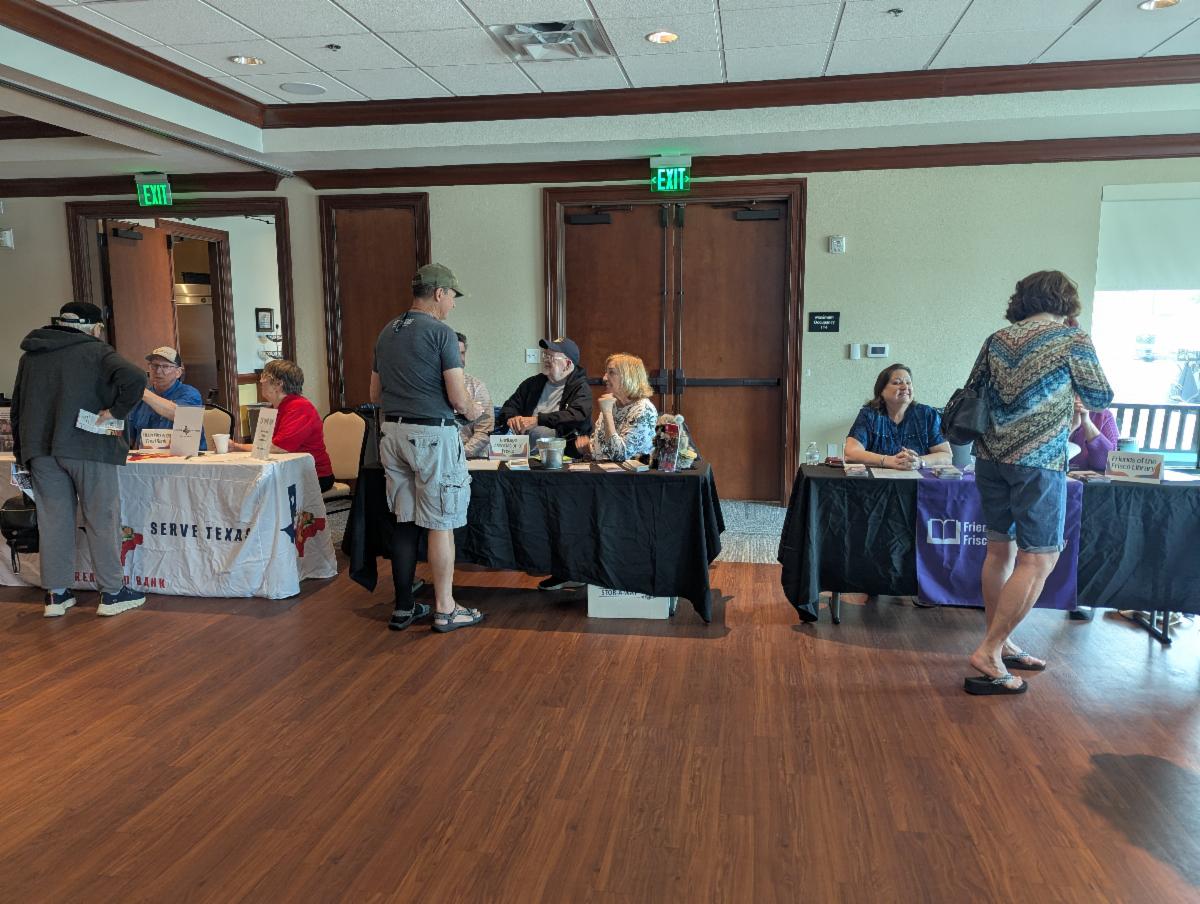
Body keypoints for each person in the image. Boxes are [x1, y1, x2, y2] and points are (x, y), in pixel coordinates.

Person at [962, 270, 1113, 696]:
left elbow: (974, 391)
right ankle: (989, 651)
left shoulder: (997, 339)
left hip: (989, 457)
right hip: (1038, 461)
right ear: (1065, 300)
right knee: (1040, 558)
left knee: (1000, 551)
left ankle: (1002, 643)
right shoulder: (1071, 339)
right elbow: (1100, 397)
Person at [10, 302, 149, 618]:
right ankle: (112, 593)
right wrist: (115, 412)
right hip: (89, 447)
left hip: (40, 451)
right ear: (95, 327)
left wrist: (22, 453)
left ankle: (56, 594)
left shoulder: (31, 355)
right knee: (102, 518)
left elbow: (17, 407)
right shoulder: (96, 351)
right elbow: (135, 378)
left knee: (53, 521)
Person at [370, 263, 484, 633]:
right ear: (438, 293)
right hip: (432, 436)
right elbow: (458, 397)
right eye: (452, 296)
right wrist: (474, 410)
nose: (453, 304)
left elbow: (374, 394)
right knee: (441, 523)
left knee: (404, 520)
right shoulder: (441, 333)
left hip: (392, 434)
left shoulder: (387, 331)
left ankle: (404, 607)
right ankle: (446, 609)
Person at [228, 360, 334, 491]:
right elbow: (263, 445)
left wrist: (238, 447)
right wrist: (235, 447)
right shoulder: (274, 408)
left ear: (278, 384)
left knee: (253, 490)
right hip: (288, 472)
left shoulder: (299, 407)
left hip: (314, 476)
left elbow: (278, 447)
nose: (260, 381)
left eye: (264, 377)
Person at [844, 363, 952, 470]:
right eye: (897, 383)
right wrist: (888, 461)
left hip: (919, 479)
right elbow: (851, 453)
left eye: (908, 383)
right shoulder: (870, 415)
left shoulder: (927, 414)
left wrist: (919, 462)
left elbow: (946, 456)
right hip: (879, 479)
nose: (905, 387)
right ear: (881, 391)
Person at [497, 337, 591, 451]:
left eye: (551, 357)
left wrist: (537, 420)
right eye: (545, 355)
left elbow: (575, 416)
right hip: (523, 450)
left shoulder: (581, 388)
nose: (546, 359)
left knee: (542, 432)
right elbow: (508, 407)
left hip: (562, 451)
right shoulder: (532, 383)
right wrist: (512, 418)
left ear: (567, 364)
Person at [576, 354, 659, 462]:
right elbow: (601, 447)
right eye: (606, 372)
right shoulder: (613, 403)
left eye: (611, 372)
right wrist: (588, 447)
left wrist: (607, 412)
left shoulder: (644, 409)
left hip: (629, 472)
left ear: (629, 377)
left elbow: (620, 455)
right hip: (603, 470)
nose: (604, 378)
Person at [124, 345, 206, 450]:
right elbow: (129, 439)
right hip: (147, 457)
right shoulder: (140, 397)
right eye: (154, 366)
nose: (158, 371)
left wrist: (141, 391)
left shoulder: (190, 394)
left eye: (165, 366)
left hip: (186, 456)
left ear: (178, 372)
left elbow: (181, 415)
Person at [455, 332, 494, 459]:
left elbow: (484, 431)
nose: (460, 359)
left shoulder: (477, 387)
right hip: (439, 457)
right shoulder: (430, 388)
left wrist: (459, 455)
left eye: (462, 353)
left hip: (470, 458)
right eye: (454, 353)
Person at [1068, 395, 1119, 471]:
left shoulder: (1103, 415)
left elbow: (1111, 463)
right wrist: (1072, 426)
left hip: (1089, 477)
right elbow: (1049, 457)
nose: (1077, 397)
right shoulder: (1051, 413)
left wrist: (1087, 422)